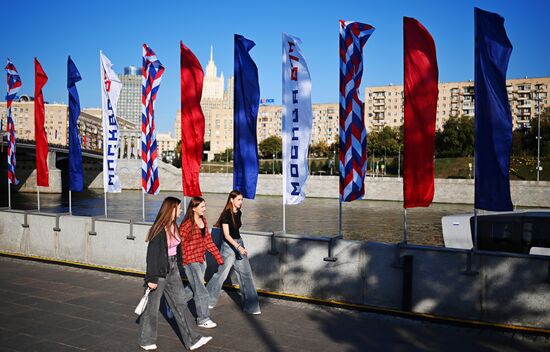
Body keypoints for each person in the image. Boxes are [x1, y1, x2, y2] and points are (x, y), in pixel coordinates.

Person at [138, 196, 212, 351]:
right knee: (152, 307)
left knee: (181, 305)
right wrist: (151, 278)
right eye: (178, 208)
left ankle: (192, 340)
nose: (181, 210)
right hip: (159, 272)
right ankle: (146, 340)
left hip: (173, 270)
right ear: (171, 209)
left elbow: (177, 250)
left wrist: (179, 265)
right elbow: (152, 255)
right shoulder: (159, 229)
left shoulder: (174, 226)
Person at [206, 190, 261, 315]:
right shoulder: (226, 214)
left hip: (239, 243)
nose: (241, 202)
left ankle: (251, 307)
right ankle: (208, 299)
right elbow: (226, 235)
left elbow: (236, 231)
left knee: (246, 274)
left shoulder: (239, 212)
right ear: (232, 200)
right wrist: (238, 247)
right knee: (221, 274)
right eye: (238, 200)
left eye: (242, 200)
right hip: (229, 247)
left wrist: (240, 246)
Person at [180, 196, 224, 328]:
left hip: (201, 260)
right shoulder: (186, 224)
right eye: (202, 207)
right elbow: (180, 244)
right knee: (201, 290)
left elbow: (208, 241)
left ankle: (173, 304)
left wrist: (218, 257)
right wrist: (186, 261)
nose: (204, 209)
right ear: (193, 208)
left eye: (205, 206)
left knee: (193, 289)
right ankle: (203, 319)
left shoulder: (203, 220)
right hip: (191, 261)